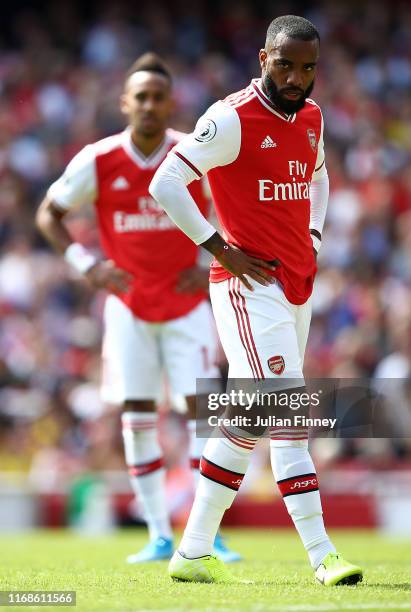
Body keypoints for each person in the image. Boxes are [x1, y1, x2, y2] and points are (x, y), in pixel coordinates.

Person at [150, 15, 364, 585]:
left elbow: (317, 179)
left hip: (297, 285)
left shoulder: (312, 118)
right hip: (249, 288)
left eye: (309, 67)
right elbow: (166, 183)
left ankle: (193, 551)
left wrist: (314, 235)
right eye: (287, 65)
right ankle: (323, 555)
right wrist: (219, 247)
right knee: (289, 409)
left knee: (247, 418)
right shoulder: (230, 118)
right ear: (264, 58)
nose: (298, 78)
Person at [35, 53, 240, 564]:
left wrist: (210, 259)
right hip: (127, 306)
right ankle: (157, 533)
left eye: (158, 97)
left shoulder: (191, 154)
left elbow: (233, 206)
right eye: (140, 97)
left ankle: (205, 532)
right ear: (125, 103)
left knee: (201, 415)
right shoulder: (99, 159)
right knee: (138, 412)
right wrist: (87, 266)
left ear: (172, 104)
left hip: (187, 305)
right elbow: (49, 213)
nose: (150, 105)